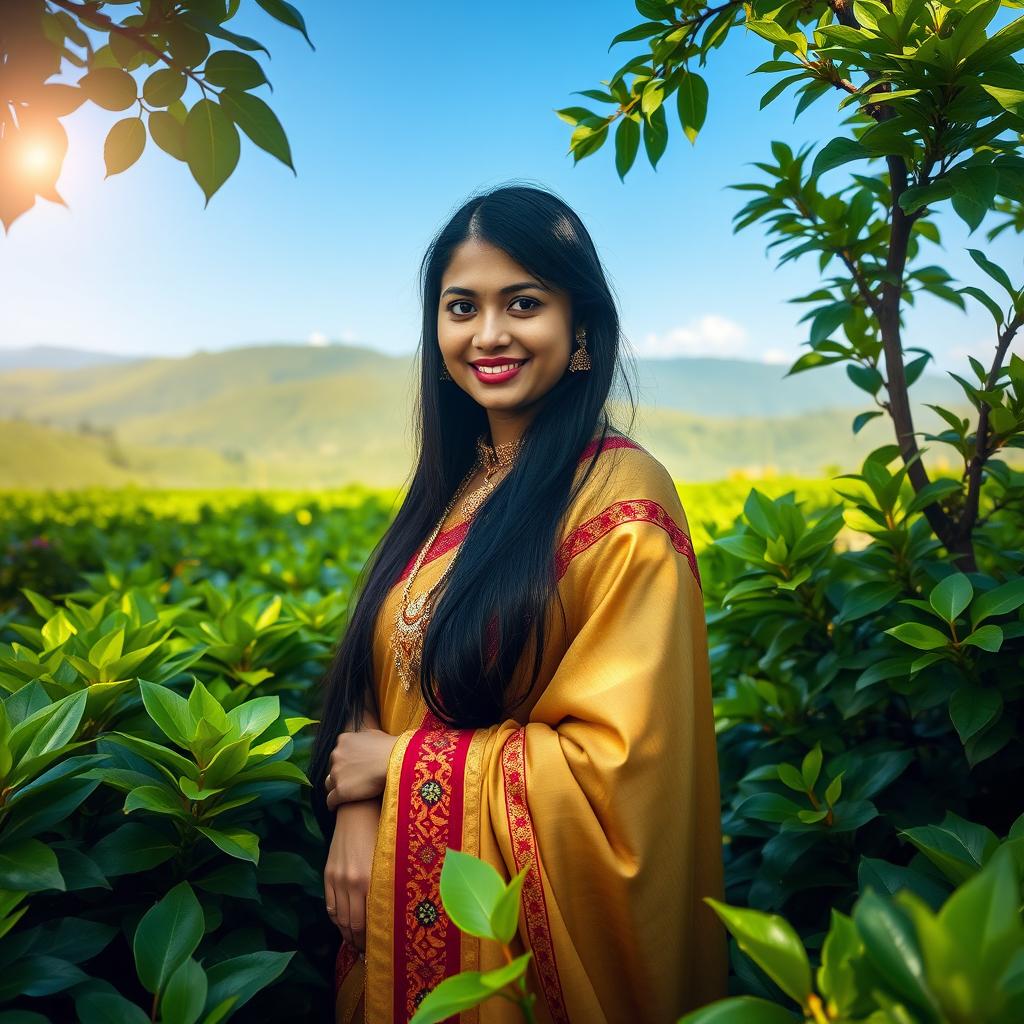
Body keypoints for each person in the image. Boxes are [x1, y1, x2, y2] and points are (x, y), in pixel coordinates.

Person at [308, 183, 726, 1023]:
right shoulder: (456, 488)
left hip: (514, 965)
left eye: (523, 303)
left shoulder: (621, 501)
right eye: (461, 306)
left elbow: (619, 776)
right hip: (399, 905)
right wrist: (357, 807)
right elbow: (379, 662)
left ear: (580, 329)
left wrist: (399, 771)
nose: (488, 334)